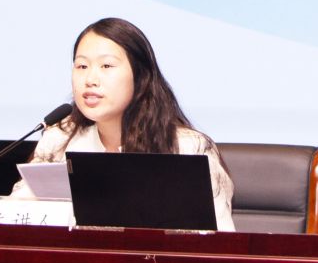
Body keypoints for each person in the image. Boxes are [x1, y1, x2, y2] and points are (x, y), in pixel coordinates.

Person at [12, 17, 235, 231]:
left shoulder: (188, 148)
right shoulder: (59, 139)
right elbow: (15, 216)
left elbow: (220, 243)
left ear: (140, 77)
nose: (90, 80)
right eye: (81, 66)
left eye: (106, 66)